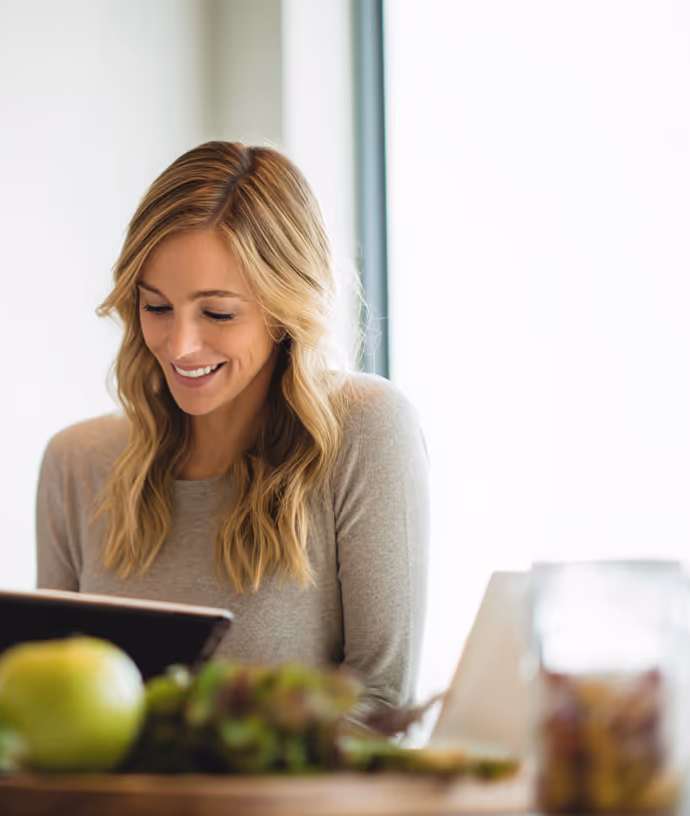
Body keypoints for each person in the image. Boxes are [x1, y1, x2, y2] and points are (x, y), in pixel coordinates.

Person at [36, 142, 428, 713]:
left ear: (285, 312)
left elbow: (381, 698)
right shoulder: (76, 461)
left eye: (217, 313)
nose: (180, 345)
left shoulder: (366, 429)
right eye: (156, 307)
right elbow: (50, 700)